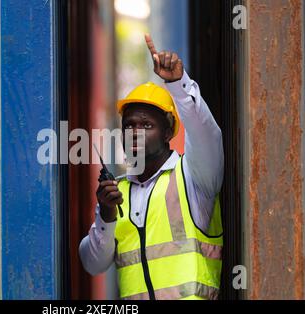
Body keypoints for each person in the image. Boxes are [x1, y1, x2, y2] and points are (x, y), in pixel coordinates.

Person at [79, 34, 224, 300]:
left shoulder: (193, 178)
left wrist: (177, 84)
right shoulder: (116, 191)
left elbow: (207, 136)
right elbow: (93, 263)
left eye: (146, 125)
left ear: (168, 132)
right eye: (129, 125)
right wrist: (106, 216)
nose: (135, 132)